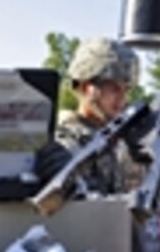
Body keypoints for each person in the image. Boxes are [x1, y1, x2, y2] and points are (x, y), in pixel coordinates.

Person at [56, 37, 146, 195]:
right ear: (85, 88)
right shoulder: (64, 144)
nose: (122, 99)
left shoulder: (120, 142)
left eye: (126, 90)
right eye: (114, 88)